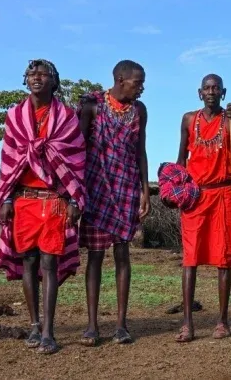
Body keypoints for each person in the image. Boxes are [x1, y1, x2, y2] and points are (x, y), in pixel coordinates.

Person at [0, 59, 85, 355]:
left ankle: (48, 330)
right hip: (23, 199)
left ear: (54, 81)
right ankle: (34, 325)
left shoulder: (67, 118)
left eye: (43, 74)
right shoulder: (15, 117)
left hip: (54, 200)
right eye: (31, 73)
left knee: (49, 264)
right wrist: (6, 199)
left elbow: (75, 161)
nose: (36, 78)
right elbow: (8, 160)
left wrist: (73, 199)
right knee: (28, 262)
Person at [77, 60, 150, 346]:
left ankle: (121, 324)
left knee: (123, 255)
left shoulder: (139, 111)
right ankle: (92, 325)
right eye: (138, 82)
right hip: (96, 189)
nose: (142, 87)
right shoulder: (92, 107)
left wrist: (145, 191)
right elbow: (78, 150)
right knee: (95, 256)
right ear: (120, 80)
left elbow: (140, 151)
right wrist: (77, 192)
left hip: (126, 188)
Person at [173, 74, 231, 343]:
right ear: (199, 93)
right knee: (190, 259)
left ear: (223, 92)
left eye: (216, 88)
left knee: (224, 258)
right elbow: (181, 157)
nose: (211, 92)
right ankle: (187, 323)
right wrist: (176, 188)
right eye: (206, 88)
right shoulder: (188, 119)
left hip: (223, 194)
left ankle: (222, 321)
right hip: (195, 196)